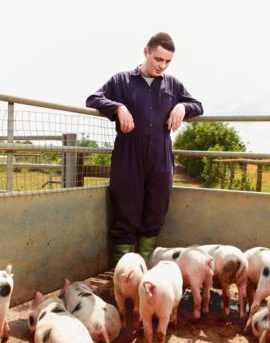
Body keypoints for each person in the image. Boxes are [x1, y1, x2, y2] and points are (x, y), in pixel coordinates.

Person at [86, 32, 203, 264]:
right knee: (125, 208)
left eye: (167, 61)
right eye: (158, 59)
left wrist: (182, 106)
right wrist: (118, 107)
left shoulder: (173, 84)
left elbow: (197, 106)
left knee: (156, 208)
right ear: (146, 52)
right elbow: (93, 99)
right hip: (128, 153)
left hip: (160, 154)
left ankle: (145, 264)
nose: (162, 65)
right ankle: (123, 269)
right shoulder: (121, 81)